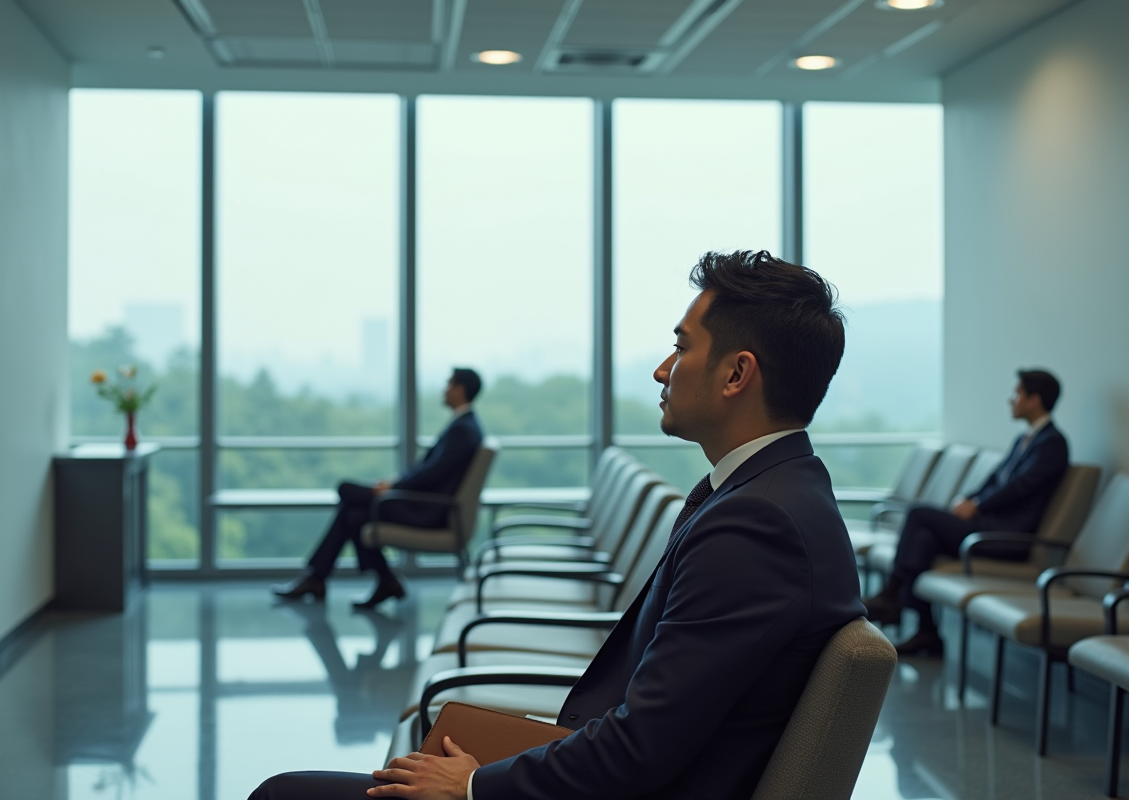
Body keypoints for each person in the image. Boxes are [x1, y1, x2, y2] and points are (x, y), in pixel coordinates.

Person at [249, 250, 865, 800]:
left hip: (638, 785)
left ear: (736, 375)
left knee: (283, 794)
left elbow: (640, 751)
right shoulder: (776, 491)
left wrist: (470, 786)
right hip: (641, 770)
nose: (661, 370)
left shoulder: (756, 525)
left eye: (680, 348)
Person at [864, 369, 1069, 656]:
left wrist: (978, 506)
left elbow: (1022, 487)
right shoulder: (1026, 439)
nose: (1011, 400)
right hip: (987, 525)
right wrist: (968, 499)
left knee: (919, 514)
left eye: (1017, 394)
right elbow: (995, 479)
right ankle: (927, 632)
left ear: (1034, 400)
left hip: (1006, 537)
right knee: (923, 540)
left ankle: (892, 594)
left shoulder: (1052, 443)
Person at [272, 368, 484, 609]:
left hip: (426, 511)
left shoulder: (462, 430)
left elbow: (432, 474)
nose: (444, 389)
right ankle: (366, 579)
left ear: (460, 389)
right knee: (354, 516)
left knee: (346, 490)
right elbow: (429, 471)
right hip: (422, 504)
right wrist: (393, 483)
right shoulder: (465, 426)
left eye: (449, 384)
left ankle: (325, 578)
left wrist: (391, 488)